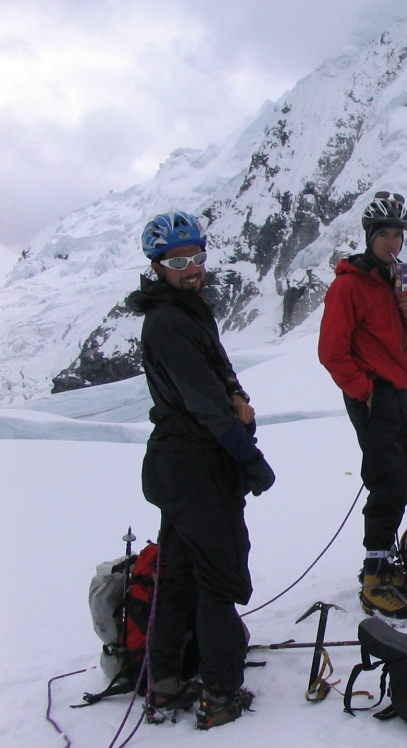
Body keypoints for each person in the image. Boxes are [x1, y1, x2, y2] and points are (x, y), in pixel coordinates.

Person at [130, 211, 275, 730]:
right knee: (218, 578)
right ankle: (219, 691)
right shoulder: (170, 322)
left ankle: (165, 683)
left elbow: (218, 380)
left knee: (180, 576)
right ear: (158, 266)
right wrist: (249, 458)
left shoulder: (185, 310)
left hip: (178, 466)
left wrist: (236, 394)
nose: (191, 269)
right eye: (178, 261)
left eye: (196, 257)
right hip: (195, 466)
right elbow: (205, 403)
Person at [318, 191, 407, 624]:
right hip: (374, 394)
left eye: (397, 235)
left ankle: (384, 565)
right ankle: (374, 579)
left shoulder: (399, 280)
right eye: (384, 234)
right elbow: (332, 350)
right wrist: (362, 389)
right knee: (386, 481)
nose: (392, 243)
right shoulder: (349, 285)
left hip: (398, 390)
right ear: (369, 237)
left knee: (400, 480)